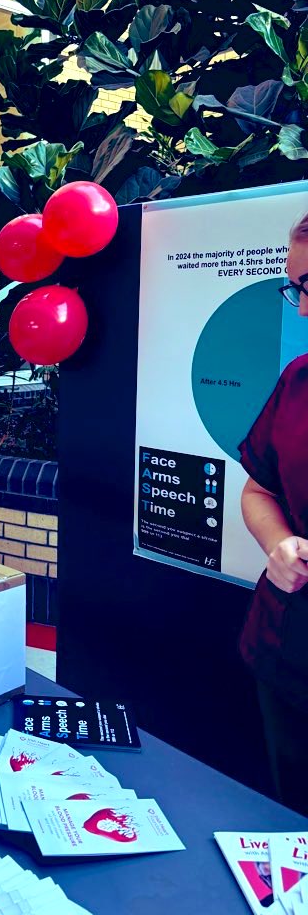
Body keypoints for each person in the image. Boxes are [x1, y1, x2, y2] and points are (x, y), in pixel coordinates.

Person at [239, 211, 308, 816]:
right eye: (295, 288)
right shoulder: (297, 380)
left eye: (307, 286)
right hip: (287, 651)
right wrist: (279, 543)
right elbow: (258, 490)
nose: (301, 308)